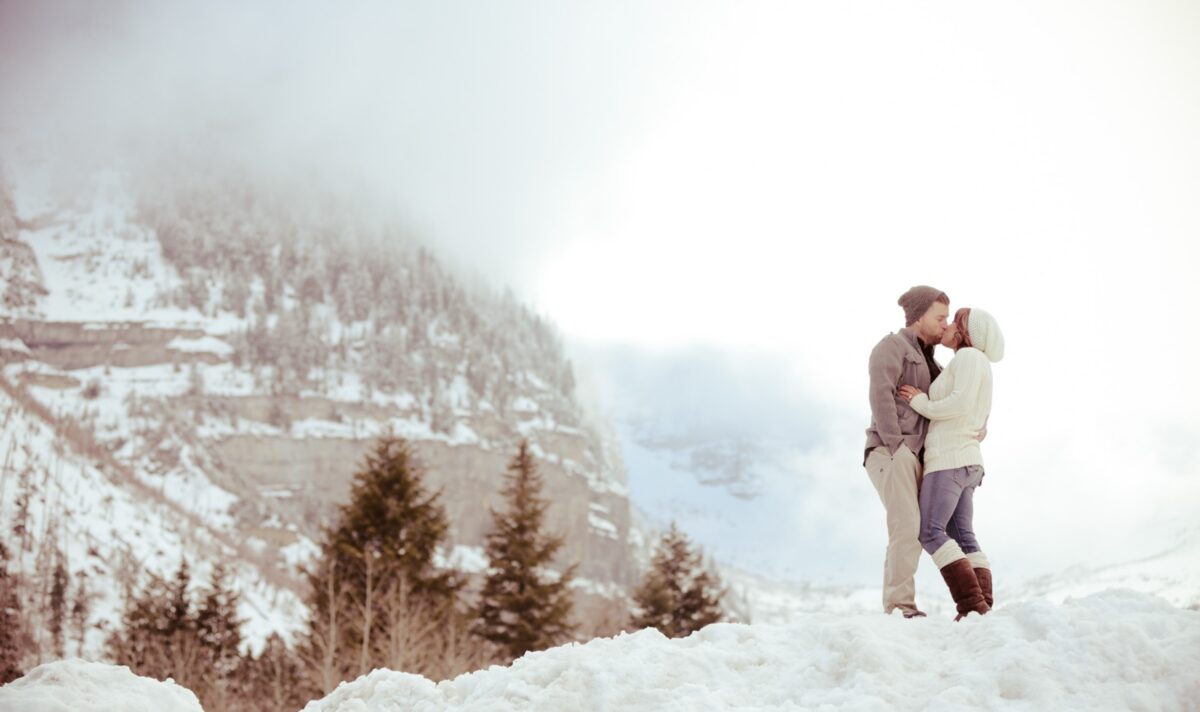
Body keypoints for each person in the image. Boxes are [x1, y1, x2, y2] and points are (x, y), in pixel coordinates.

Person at [899, 306, 1004, 621]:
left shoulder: (969, 358)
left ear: (964, 331)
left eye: (953, 321)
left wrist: (920, 401)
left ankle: (972, 606)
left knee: (930, 532)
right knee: (963, 535)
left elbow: (958, 404)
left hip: (950, 460)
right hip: (966, 461)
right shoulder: (976, 364)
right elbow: (977, 415)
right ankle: (980, 612)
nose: (945, 325)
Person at [863, 285, 949, 618]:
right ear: (919, 315)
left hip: (916, 456)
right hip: (891, 451)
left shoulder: (933, 363)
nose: (944, 324)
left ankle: (900, 605)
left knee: (914, 528)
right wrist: (897, 446)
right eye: (939, 317)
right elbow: (880, 395)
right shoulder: (891, 346)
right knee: (906, 526)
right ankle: (900, 607)